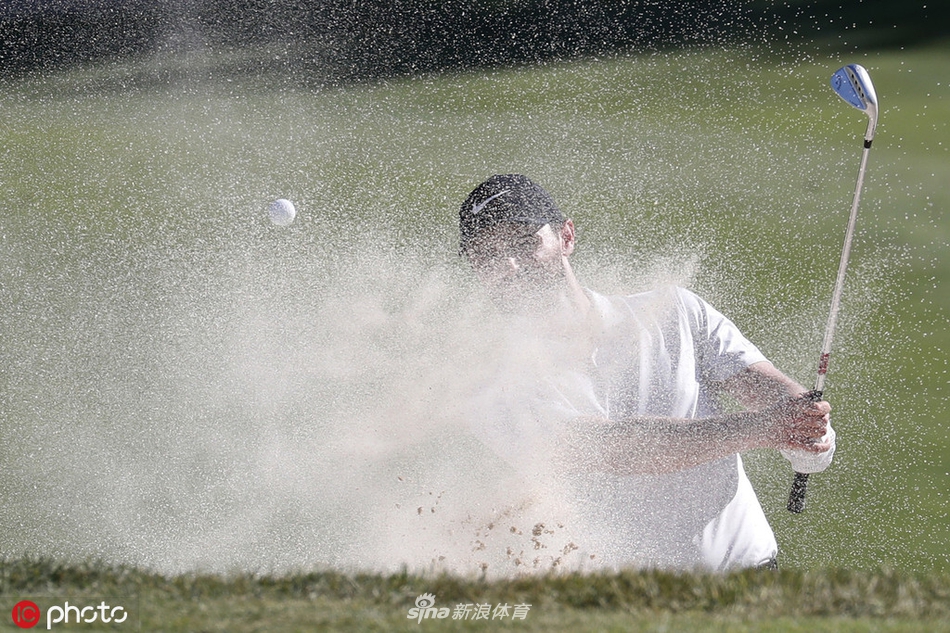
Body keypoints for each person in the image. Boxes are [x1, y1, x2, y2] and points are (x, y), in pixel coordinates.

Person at [458, 173, 836, 571]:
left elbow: (765, 386)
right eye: (487, 256)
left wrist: (807, 428)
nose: (510, 265)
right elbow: (618, 449)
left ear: (566, 237)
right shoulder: (490, 388)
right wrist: (763, 428)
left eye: (524, 242)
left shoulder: (674, 310)